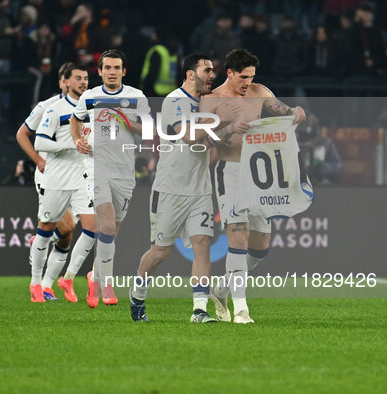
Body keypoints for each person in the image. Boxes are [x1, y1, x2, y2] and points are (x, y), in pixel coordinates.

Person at [200, 48, 306, 323]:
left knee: (261, 245)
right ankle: (241, 309)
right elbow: (203, 140)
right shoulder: (212, 99)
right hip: (230, 171)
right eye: (244, 77)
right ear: (230, 73)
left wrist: (296, 111)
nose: (248, 82)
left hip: (260, 173)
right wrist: (230, 130)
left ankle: (222, 288)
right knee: (238, 234)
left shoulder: (260, 92)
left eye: (252, 77)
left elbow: (283, 111)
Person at [129, 54, 221, 323]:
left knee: (202, 245)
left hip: (200, 189)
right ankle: (137, 295)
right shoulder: (175, 101)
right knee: (160, 252)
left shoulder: (206, 104)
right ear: (191, 74)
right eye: (207, 70)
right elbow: (190, 136)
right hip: (170, 189)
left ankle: (199, 310)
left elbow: (208, 147)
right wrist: (219, 120)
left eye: (213, 70)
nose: (212, 74)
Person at [70, 49, 150, 308]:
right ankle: (107, 284)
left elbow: (149, 130)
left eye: (117, 68)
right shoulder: (90, 96)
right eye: (107, 68)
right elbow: (75, 119)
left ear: (124, 71)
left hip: (124, 171)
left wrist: (130, 122)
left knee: (112, 232)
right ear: (100, 71)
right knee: (104, 227)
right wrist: (77, 139)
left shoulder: (136, 97)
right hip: (96, 167)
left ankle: (95, 273)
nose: (112, 72)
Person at [16, 63, 93, 302]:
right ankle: (39, 278)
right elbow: (23, 135)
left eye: (85, 78)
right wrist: (39, 160)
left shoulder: (92, 107)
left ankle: (50, 284)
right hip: (52, 175)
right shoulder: (48, 107)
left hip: (81, 176)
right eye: (76, 78)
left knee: (73, 234)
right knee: (66, 227)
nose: (82, 82)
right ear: (63, 82)